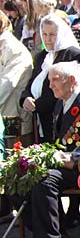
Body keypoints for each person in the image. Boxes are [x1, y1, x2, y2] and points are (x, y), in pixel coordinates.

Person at [20, 62, 80, 238]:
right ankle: (58, 230)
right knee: (20, 177)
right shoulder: (61, 101)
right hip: (61, 162)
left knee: (44, 180)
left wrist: (73, 159)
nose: (50, 86)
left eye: (55, 80)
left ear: (72, 81)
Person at [20, 14, 80, 142]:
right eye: (45, 34)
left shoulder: (71, 54)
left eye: (52, 35)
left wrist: (37, 105)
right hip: (39, 118)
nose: (48, 39)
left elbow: (64, 88)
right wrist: (25, 98)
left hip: (57, 117)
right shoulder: (42, 56)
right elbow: (31, 81)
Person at [0, 10, 33, 142]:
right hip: (4, 116)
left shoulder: (13, 49)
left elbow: (6, 84)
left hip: (13, 117)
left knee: (13, 158)